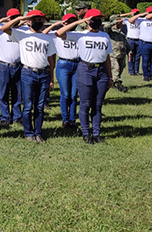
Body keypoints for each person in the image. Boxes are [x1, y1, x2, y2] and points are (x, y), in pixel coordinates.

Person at [56, 9, 113, 144]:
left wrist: (110, 77)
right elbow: (59, 33)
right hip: (85, 69)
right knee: (85, 104)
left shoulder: (105, 36)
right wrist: (79, 21)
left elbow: (108, 57)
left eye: (99, 18)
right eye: (94, 18)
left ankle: (97, 133)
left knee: (97, 105)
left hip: (102, 71)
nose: (97, 21)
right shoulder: (80, 35)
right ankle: (86, 133)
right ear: (87, 21)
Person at [1, 10, 55, 143]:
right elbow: (4, 28)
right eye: (34, 20)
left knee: (40, 106)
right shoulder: (22, 35)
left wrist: (51, 78)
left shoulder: (47, 37)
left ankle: (38, 132)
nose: (37, 22)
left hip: (43, 74)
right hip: (27, 73)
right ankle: (28, 133)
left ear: (43, 21)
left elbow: (51, 59)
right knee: (27, 105)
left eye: (39, 20)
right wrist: (22, 18)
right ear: (29, 21)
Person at [44, 13, 80, 128]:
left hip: (77, 64)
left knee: (74, 95)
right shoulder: (56, 34)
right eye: (68, 22)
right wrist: (55, 25)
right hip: (63, 64)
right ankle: (65, 119)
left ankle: (72, 119)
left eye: (73, 21)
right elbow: (43, 34)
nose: (71, 24)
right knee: (65, 94)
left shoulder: (79, 34)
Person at [103, 14, 129, 92]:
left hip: (122, 54)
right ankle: (119, 85)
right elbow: (106, 27)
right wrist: (114, 22)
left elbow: (125, 42)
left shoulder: (121, 32)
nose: (121, 23)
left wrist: (129, 51)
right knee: (116, 69)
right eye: (119, 21)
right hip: (113, 54)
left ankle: (114, 83)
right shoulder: (110, 31)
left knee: (120, 69)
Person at [128, 7, 152, 81]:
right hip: (144, 43)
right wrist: (140, 15)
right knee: (145, 60)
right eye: (150, 12)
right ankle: (146, 75)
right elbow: (130, 20)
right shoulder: (142, 20)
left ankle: (151, 74)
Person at [124, 9, 141, 75]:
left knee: (137, 57)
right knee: (130, 56)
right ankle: (131, 71)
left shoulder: (140, 20)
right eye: (134, 13)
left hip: (139, 39)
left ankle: (136, 71)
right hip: (130, 39)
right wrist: (129, 13)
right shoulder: (127, 20)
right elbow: (118, 17)